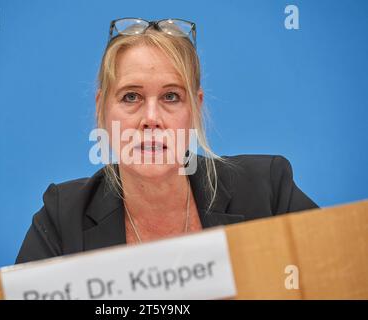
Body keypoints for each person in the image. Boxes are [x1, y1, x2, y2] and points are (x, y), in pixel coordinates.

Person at [16, 18, 318, 264]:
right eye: (130, 96)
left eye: (171, 96)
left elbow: (343, 277)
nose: (151, 118)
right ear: (102, 109)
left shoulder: (268, 192)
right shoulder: (62, 217)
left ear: (195, 109)